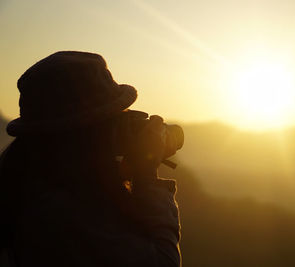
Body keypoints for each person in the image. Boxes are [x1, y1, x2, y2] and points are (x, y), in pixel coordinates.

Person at [0, 51, 181, 267]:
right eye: (113, 118)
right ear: (86, 132)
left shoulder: (29, 182)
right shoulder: (58, 215)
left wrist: (118, 174)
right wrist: (146, 175)